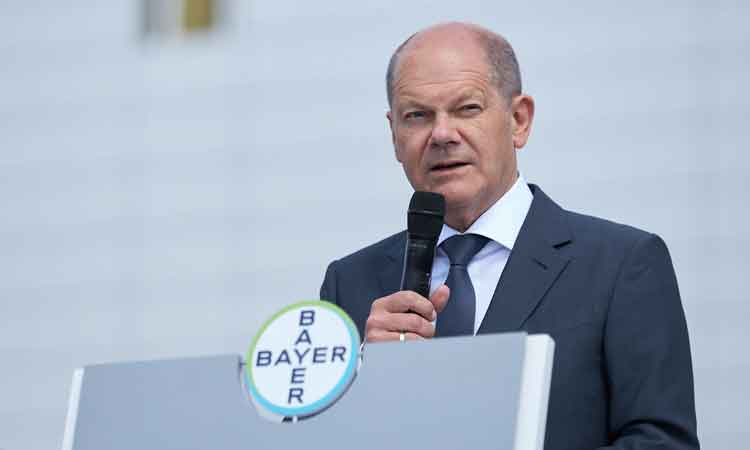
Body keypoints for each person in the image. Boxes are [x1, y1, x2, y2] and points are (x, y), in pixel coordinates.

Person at [319, 22, 699, 450]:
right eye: (417, 116)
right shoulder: (349, 285)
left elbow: (662, 444)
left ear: (519, 120)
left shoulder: (623, 265)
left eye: (467, 109)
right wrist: (367, 387)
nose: (442, 134)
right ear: (394, 135)